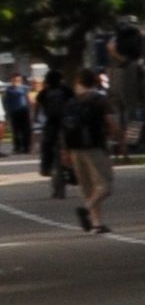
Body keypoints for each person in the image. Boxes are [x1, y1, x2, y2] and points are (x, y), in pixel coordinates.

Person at [53, 72, 112, 232]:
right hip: (95, 147)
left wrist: (64, 150)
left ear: (78, 83)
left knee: (87, 187)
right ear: (94, 82)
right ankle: (86, 209)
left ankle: (97, 223)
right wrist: (120, 139)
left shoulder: (71, 102)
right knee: (105, 186)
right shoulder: (100, 100)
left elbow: (64, 128)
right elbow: (110, 122)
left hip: (75, 149)